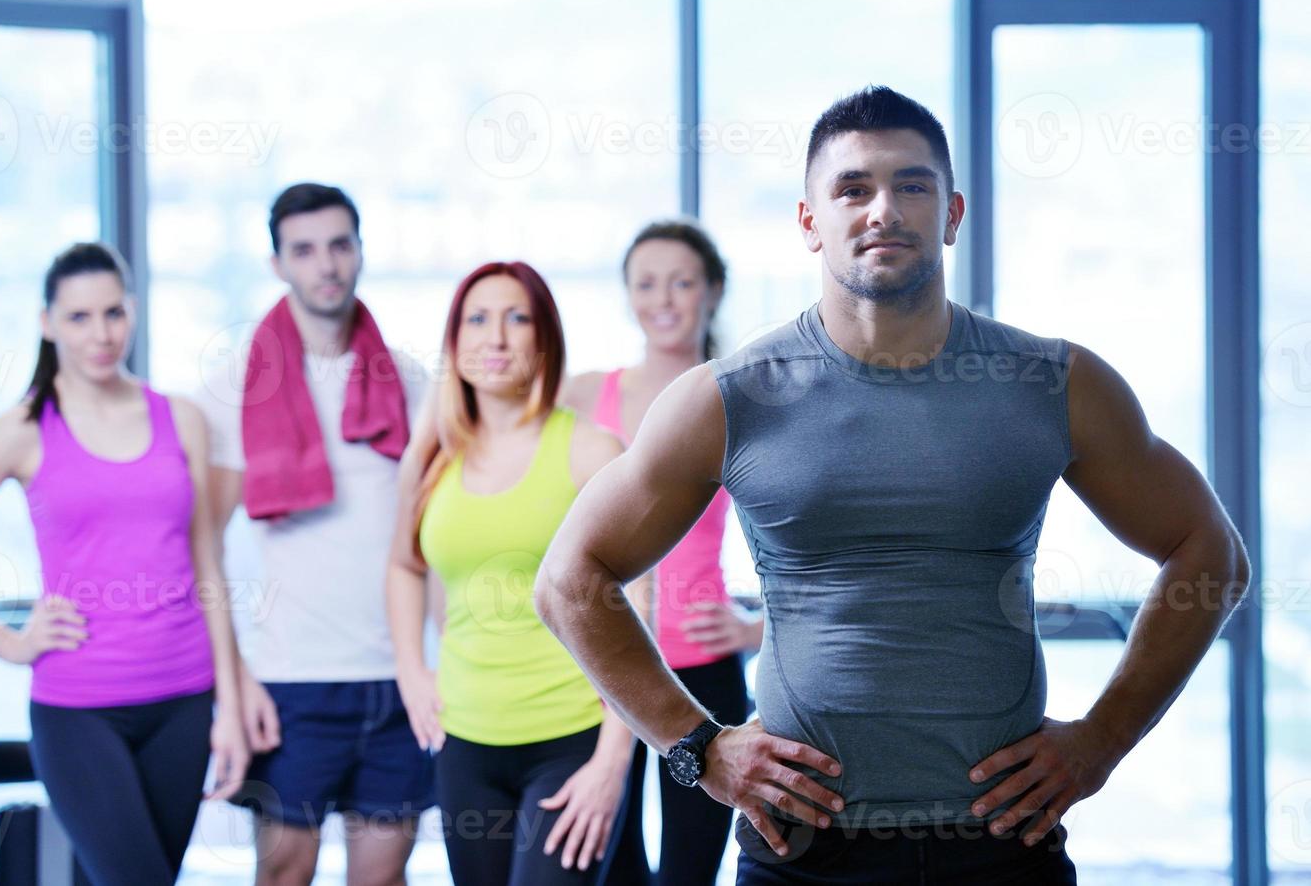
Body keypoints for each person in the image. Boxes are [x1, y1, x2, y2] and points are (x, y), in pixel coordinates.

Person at [533, 86, 1250, 884]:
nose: (883, 209)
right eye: (852, 188)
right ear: (810, 222)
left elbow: (1208, 553)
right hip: (802, 848)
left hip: (1001, 842)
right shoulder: (728, 396)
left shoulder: (1050, 382)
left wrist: (1099, 743)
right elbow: (569, 579)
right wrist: (697, 748)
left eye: (912, 185)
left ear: (951, 213)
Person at [0, 242, 249, 886]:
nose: (101, 333)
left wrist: (230, 698)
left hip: (184, 702)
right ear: (47, 322)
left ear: (132, 313)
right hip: (79, 711)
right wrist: (10, 644)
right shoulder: (23, 431)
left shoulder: (183, 420)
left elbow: (207, 564)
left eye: (113, 313)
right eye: (80, 317)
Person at [193, 183, 435, 886]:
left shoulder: (411, 381)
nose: (325, 264)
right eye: (304, 250)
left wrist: (436, 666)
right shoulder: (241, 380)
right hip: (291, 683)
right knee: (282, 875)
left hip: (398, 681)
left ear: (359, 251)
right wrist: (234, 684)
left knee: (382, 881)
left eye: (339, 245)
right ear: (278, 263)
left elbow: (434, 539)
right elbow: (201, 546)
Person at [386, 261, 645, 885]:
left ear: (544, 338)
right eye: (477, 319)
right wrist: (410, 669)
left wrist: (613, 763)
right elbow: (401, 563)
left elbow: (640, 607)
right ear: (454, 343)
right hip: (465, 741)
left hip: (572, 736)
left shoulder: (591, 450)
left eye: (516, 318)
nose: (495, 337)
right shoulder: (432, 458)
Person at [561, 220, 759, 885]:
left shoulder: (741, 395)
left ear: (713, 291)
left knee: (688, 872)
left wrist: (757, 626)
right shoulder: (586, 394)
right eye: (645, 283)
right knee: (606, 868)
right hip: (605, 668)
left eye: (681, 281)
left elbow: (809, 535)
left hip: (701, 670)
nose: (663, 299)